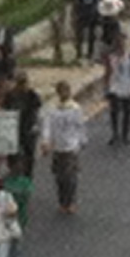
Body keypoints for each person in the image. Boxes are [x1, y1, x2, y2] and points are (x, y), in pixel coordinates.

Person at [44, 80, 88, 212]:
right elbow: (48, 126)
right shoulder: (52, 109)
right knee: (59, 177)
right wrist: (46, 141)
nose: (64, 93)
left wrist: (82, 141)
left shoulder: (75, 109)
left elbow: (80, 125)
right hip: (58, 146)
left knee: (70, 176)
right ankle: (62, 201)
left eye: (66, 91)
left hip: (71, 146)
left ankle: (71, 201)